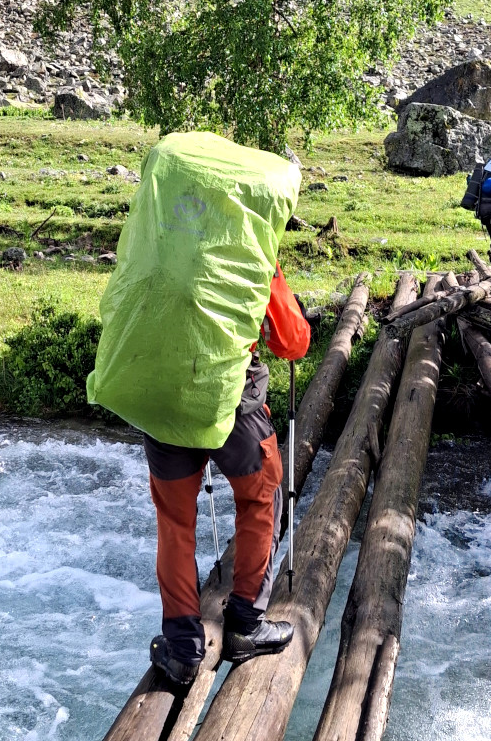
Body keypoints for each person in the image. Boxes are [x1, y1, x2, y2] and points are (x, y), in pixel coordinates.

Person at [145, 263, 310, 685]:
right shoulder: (248, 246)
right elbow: (292, 342)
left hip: (161, 398)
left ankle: (183, 651)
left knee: (174, 522)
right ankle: (245, 626)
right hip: (232, 402)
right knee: (261, 499)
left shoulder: (155, 238)